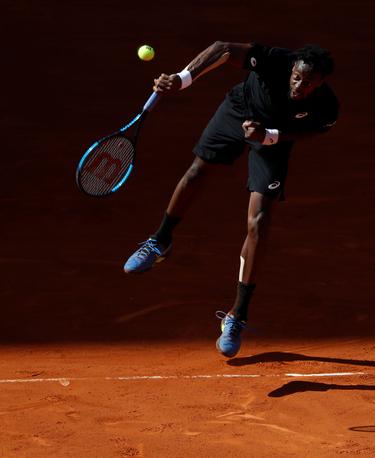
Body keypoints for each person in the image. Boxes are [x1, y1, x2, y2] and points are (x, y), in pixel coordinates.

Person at [122, 41, 339, 358]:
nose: (299, 85)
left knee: (259, 221)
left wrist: (268, 136)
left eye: (308, 83)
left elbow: (311, 131)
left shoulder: (326, 106)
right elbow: (224, 49)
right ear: (292, 68)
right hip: (239, 109)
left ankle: (237, 315)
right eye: (296, 77)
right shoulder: (274, 60)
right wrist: (183, 79)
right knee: (197, 171)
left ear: (320, 83)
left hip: (272, 138)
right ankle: (160, 240)